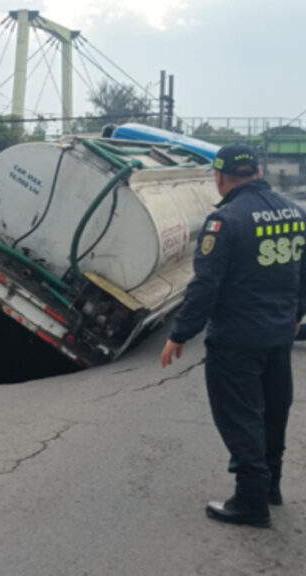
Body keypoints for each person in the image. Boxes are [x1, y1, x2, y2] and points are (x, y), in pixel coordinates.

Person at [160, 144, 306, 528]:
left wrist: (180, 333)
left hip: (237, 340)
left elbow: (206, 285)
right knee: (274, 412)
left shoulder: (226, 221)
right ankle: (270, 485)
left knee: (241, 417)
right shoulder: (296, 212)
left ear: (220, 177)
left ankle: (250, 501)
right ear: (257, 171)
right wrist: (297, 315)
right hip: (278, 335)